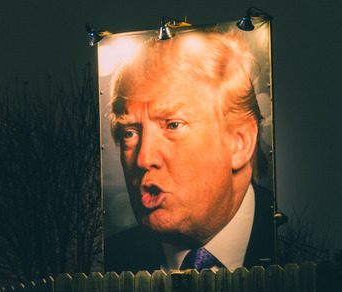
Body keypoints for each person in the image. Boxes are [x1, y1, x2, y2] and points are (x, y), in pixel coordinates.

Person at [103, 27, 275, 272]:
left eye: (173, 125)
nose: (143, 159)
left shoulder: (292, 243)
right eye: (129, 133)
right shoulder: (110, 264)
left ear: (240, 142)